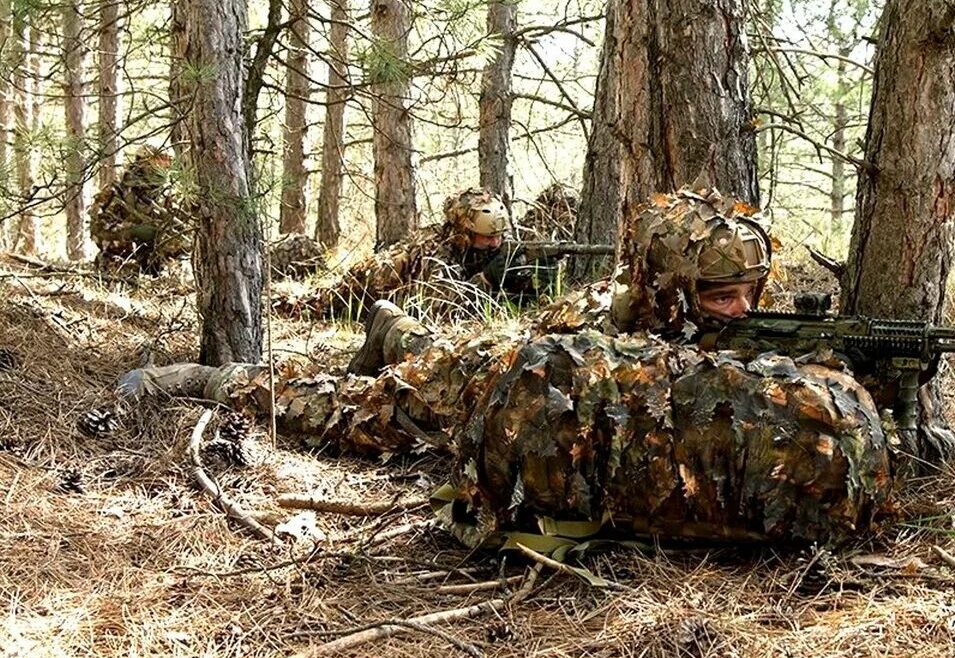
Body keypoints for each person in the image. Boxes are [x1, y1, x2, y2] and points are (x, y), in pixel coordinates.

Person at [119, 188, 891, 544]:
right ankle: (211, 377)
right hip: (486, 376)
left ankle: (396, 331)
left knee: (410, 356)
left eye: (748, 294)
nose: (740, 311)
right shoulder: (602, 317)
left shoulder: (724, 330)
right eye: (722, 298)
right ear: (673, 288)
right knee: (354, 414)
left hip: (485, 359)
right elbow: (553, 384)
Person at [283, 187, 556, 319]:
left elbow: (508, 299)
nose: (496, 244)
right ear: (465, 233)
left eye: (499, 236)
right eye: (487, 237)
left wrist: (534, 279)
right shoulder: (435, 251)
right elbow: (440, 311)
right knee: (303, 306)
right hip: (358, 292)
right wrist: (486, 280)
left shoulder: (487, 245)